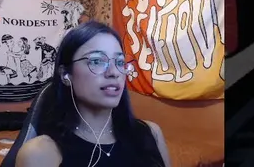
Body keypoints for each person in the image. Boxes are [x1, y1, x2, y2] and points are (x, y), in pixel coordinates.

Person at [15, 21, 171, 167]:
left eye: (120, 62)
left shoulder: (151, 134)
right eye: (97, 61)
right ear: (65, 75)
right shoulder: (40, 153)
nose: (114, 72)